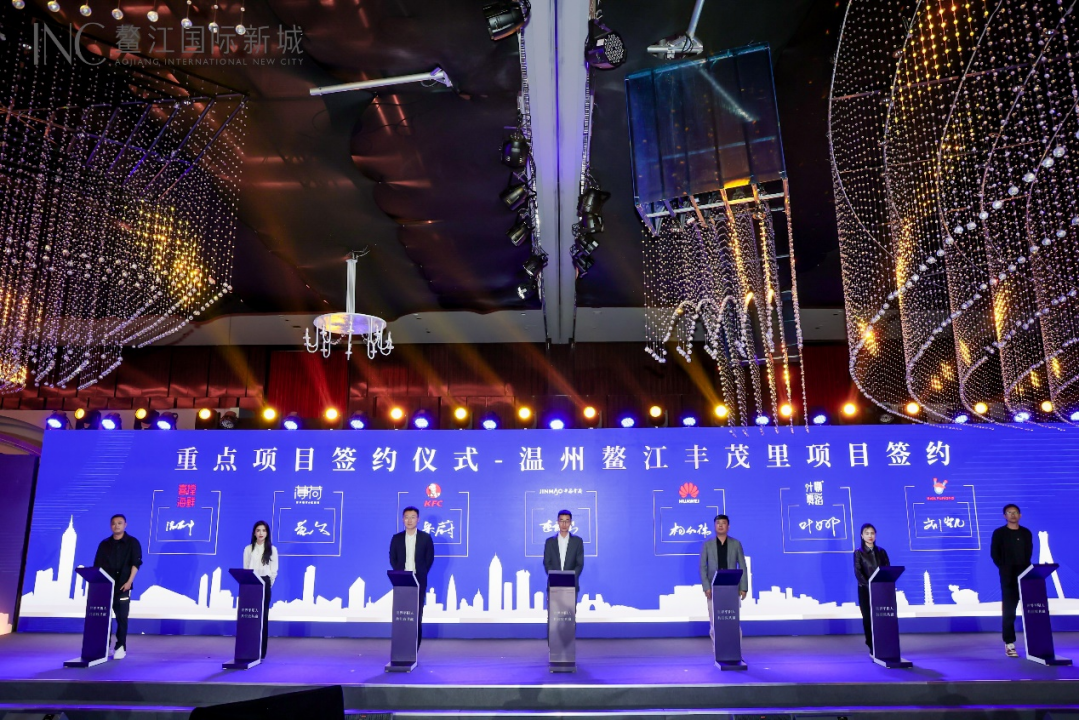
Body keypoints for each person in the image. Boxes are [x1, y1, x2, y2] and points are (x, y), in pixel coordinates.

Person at [93, 514, 143, 660]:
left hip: (123, 587)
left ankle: (120, 646)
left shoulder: (133, 542)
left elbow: (136, 563)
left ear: (125, 525)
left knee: (122, 618)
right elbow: (97, 565)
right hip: (106, 587)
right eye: (114, 523)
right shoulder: (104, 544)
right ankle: (105, 646)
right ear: (111, 526)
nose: (116, 526)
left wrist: (129, 582)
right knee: (104, 619)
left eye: (119, 523)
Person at [991, 503, 1033, 658]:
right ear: (1005, 516)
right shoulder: (999, 533)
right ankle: (1009, 643)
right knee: (1009, 612)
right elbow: (994, 554)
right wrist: (1005, 568)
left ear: (1020, 515)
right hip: (1008, 577)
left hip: (1025, 576)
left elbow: (1028, 553)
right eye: (1009, 512)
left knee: (1032, 611)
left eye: (1015, 512)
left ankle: (1035, 644)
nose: (1013, 515)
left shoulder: (1026, 533)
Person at [389, 506, 435, 647]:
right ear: (403, 519)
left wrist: (421, 573)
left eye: (413, 517)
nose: (409, 520)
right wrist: (400, 573)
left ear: (418, 519)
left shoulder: (425, 538)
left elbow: (429, 559)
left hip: (418, 580)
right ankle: (401, 646)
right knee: (401, 614)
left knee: (416, 614)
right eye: (407, 517)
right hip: (401, 580)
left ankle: (415, 647)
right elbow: (393, 558)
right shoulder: (396, 538)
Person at [699, 514, 748, 641]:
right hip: (713, 589)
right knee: (714, 623)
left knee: (733, 622)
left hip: (732, 588)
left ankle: (736, 650)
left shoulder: (736, 544)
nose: (720, 525)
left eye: (723, 523)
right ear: (714, 526)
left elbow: (742, 565)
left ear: (728, 526)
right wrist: (706, 587)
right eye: (718, 523)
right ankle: (717, 651)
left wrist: (743, 587)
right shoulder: (707, 544)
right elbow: (702, 567)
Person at [243, 520, 278, 659]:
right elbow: (246, 567)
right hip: (251, 584)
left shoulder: (272, 550)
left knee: (262, 618)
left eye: (263, 530)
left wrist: (267, 585)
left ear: (267, 533)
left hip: (265, 583)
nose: (261, 533)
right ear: (254, 533)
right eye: (258, 530)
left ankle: (261, 652)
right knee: (250, 617)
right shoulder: (248, 549)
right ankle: (249, 649)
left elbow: (274, 571)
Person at [853, 522, 891, 653]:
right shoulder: (858, 553)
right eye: (867, 533)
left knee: (882, 618)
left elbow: (887, 569)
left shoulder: (882, 551)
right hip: (865, 590)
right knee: (868, 618)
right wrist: (869, 585)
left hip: (881, 590)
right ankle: (871, 645)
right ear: (862, 536)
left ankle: (884, 644)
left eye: (872, 533)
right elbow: (858, 572)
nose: (870, 536)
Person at [543, 509, 585, 595]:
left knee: (569, 605)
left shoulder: (577, 541)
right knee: (554, 605)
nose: (564, 524)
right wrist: (556, 578)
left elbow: (579, 564)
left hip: (571, 585)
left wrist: (568, 578)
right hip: (554, 585)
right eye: (561, 521)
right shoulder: (549, 542)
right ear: (557, 522)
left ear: (571, 522)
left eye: (567, 521)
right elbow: (547, 563)